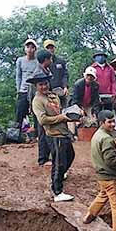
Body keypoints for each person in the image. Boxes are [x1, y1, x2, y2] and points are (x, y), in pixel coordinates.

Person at [83, 110, 116, 231]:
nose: (112, 125)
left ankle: (89, 215)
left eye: (113, 121)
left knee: (103, 195)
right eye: (109, 122)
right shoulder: (106, 139)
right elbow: (111, 160)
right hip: (111, 177)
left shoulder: (97, 135)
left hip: (101, 175)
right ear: (101, 123)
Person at [29, 74, 74, 202]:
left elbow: (59, 111)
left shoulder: (53, 96)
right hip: (54, 135)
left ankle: (59, 175)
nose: (44, 86)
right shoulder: (37, 101)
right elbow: (42, 120)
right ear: (36, 86)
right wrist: (61, 118)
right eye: (40, 85)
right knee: (58, 162)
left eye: (45, 83)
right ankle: (57, 191)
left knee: (70, 156)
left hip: (63, 132)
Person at [33, 50, 57, 164]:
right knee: (42, 132)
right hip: (39, 105)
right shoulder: (38, 73)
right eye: (50, 59)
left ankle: (48, 156)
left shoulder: (46, 71)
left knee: (47, 131)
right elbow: (32, 92)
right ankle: (43, 159)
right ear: (46, 60)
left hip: (45, 103)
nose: (51, 61)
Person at [14, 38, 40, 129]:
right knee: (20, 111)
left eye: (32, 47)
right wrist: (19, 90)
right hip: (23, 89)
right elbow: (18, 76)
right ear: (25, 49)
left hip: (35, 89)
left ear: (35, 49)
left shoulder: (38, 61)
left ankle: (37, 131)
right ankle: (16, 132)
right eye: (28, 47)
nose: (30, 49)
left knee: (36, 111)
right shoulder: (20, 60)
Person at [43, 39, 69, 106]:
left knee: (63, 110)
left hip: (61, 91)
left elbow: (65, 75)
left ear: (54, 48)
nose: (50, 50)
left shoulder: (61, 61)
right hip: (48, 92)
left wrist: (65, 86)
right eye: (48, 48)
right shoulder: (42, 63)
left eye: (51, 47)